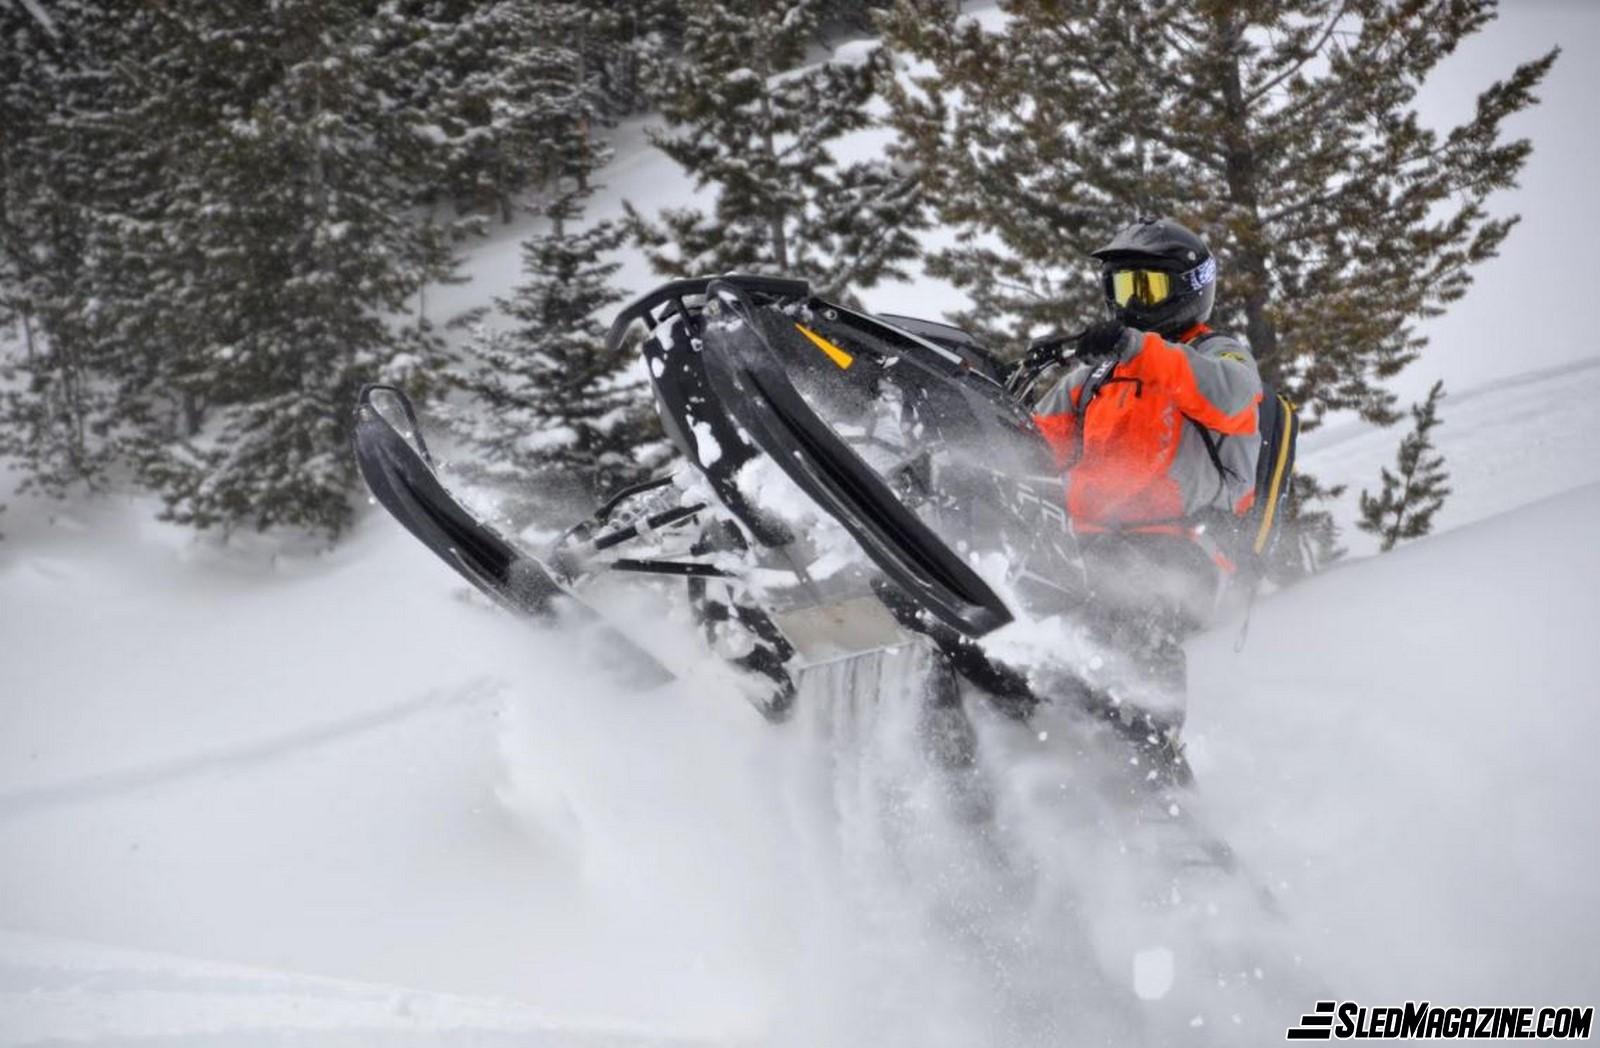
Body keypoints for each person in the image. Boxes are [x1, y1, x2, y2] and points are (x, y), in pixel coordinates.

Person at [1029, 217, 1262, 780]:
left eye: (1147, 288)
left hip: (1185, 545)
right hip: (1091, 546)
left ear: (1188, 289)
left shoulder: (1218, 356)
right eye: (1121, 287)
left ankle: (1154, 769)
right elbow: (1030, 448)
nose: (1131, 303)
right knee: (1018, 599)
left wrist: (1139, 349)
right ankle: (1030, 749)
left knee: (1128, 593)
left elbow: (1232, 399)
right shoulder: (1091, 380)